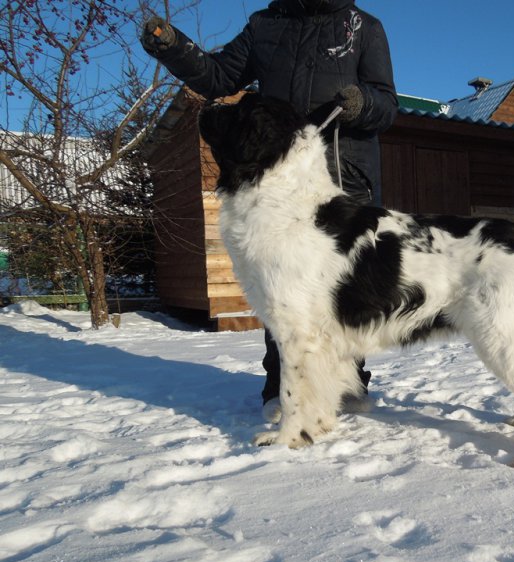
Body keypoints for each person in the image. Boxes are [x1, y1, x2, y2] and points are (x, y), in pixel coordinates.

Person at [140, 0, 397, 411]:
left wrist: (363, 103)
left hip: (344, 175)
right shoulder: (264, 25)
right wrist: (174, 47)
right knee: (281, 289)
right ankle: (282, 389)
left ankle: (347, 387)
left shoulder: (362, 27)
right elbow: (219, 76)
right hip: (277, 179)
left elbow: (387, 105)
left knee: (345, 293)